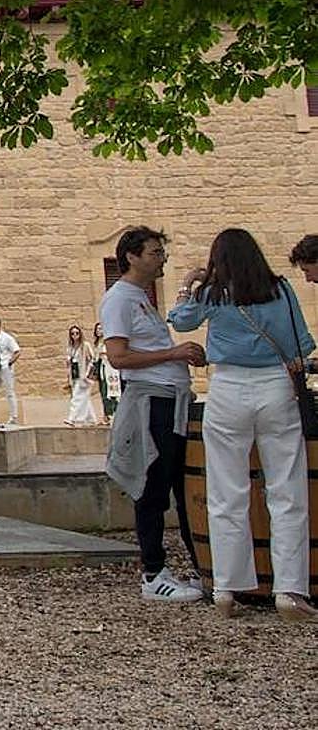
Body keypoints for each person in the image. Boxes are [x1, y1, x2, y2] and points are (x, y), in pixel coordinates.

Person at [167, 228, 316, 620]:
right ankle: (289, 591)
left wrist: (187, 284)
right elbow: (303, 342)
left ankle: (227, 588)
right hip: (275, 389)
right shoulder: (280, 288)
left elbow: (180, 322)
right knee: (287, 492)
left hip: (228, 387)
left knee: (226, 492)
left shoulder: (213, 293)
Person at [99, 225, 208, 605]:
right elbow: (118, 357)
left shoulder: (141, 298)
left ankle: (196, 566)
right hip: (150, 403)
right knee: (152, 484)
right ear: (132, 256)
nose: (162, 258)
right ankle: (153, 571)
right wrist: (173, 354)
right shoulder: (119, 300)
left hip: (170, 399)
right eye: (155, 252)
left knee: (176, 482)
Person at [0, 315, 23, 425]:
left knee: (9, 392)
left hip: (5, 367)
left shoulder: (7, 338)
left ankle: (14, 416)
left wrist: (9, 363)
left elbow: (17, 351)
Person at [64, 325, 100, 427]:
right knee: (84, 398)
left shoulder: (85, 345)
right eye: (72, 333)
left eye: (77, 333)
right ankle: (92, 419)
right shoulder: (70, 348)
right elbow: (69, 364)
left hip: (84, 376)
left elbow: (93, 360)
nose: (75, 335)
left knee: (76, 398)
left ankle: (71, 418)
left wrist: (88, 374)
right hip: (75, 376)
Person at [93, 321, 120, 418]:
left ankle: (113, 412)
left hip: (110, 368)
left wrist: (105, 354)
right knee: (103, 390)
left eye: (101, 328)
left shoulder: (109, 341)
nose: (99, 331)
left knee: (112, 390)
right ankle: (106, 414)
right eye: (97, 329)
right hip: (102, 367)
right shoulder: (97, 343)